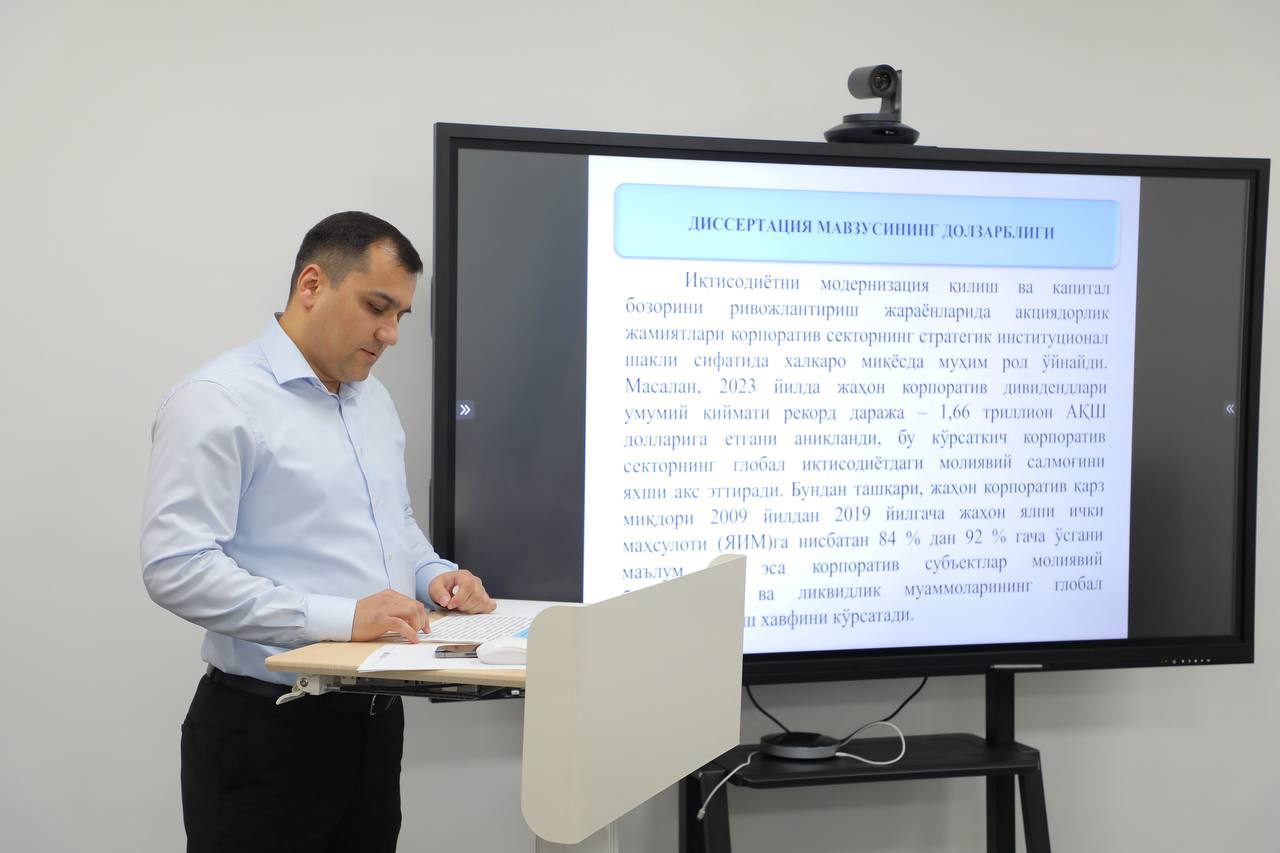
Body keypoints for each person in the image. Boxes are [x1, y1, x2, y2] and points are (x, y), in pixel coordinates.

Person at [141, 211, 494, 852]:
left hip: (374, 725)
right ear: (311, 285)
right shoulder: (218, 400)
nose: (390, 334)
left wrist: (435, 576)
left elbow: (394, 525)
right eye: (376, 307)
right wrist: (340, 616)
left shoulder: (371, 399)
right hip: (267, 733)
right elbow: (177, 567)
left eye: (400, 316)